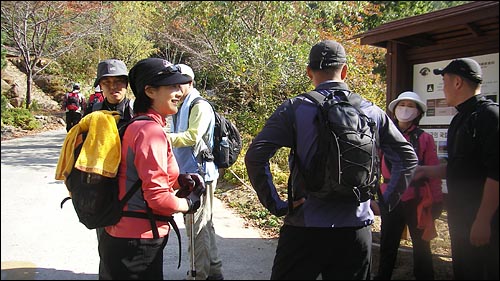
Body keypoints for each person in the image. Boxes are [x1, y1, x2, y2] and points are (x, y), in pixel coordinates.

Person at [244, 39, 418, 280]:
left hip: (305, 226)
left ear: (309, 72)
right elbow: (407, 158)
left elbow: (255, 155)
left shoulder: (295, 108)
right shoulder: (371, 111)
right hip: (355, 229)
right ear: (345, 71)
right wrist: (386, 203)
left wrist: (276, 203)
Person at [98, 57, 202, 279]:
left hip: (125, 235)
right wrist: (188, 203)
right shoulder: (150, 131)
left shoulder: (140, 125)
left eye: (179, 86)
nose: (179, 92)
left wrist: (179, 180)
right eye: (172, 86)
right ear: (150, 91)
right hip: (137, 241)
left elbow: (139, 174)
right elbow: (157, 197)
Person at [415, 58, 498, 280]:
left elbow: (496, 173)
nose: (443, 88)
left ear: (458, 83)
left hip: (482, 218)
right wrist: (424, 171)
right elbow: (461, 166)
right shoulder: (461, 118)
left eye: (444, 81)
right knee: (464, 269)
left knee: (482, 270)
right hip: (461, 215)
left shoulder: (489, 117)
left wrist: (483, 220)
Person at [374, 91, 443, 280]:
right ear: (394, 110)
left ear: (418, 112)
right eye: (402, 104)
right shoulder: (383, 136)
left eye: (410, 105)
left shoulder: (425, 138)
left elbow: (433, 170)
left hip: (418, 198)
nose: (405, 109)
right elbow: (374, 168)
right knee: (388, 244)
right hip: (389, 197)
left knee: (422, 247)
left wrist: (436, 200)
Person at [168, 63, 224, 280]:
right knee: (204, 225)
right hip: (191, 174)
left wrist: (162, 137)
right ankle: (214, 271)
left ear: (190, 83)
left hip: (200, 175)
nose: (175, 87)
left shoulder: (198, 105)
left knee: (196, 228)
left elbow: (193, 136)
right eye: (172, 83)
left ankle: (197, 275)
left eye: (180, 83)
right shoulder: (182, 105)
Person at [85, 59, 134, 128]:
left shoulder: (136, 110)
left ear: (126, 84)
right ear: (100, 86)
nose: (113, 86)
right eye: (106, 82)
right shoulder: (92, 112)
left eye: (119, 81)